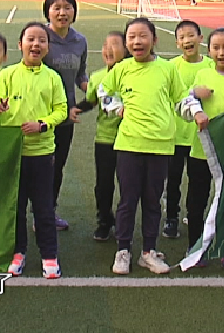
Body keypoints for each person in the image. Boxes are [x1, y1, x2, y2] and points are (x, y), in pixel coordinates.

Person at [98, 17, 186, 275]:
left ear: (154, 40)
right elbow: (104, 92)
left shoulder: (168, 69)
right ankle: (123, 250)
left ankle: (148, 252)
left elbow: (181, 99)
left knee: (152, 201)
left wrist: (197, 113)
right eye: (132, 37)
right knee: (127, 200)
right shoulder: (122, 68)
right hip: (129, 145)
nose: (137, 41)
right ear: (127, 42)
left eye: (143, 36)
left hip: (160, 146)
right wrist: (117, 107)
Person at [0, 22, 67, 279]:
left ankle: (49, 255)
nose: (36, 44)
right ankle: (18, 252)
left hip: (42, 154)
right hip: (13, 153)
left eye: (42, 40)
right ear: (20, 44)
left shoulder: (52, 77)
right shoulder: (7, 75)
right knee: (17, 208)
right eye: (30, 39)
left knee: (44, 209)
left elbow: (61, 111)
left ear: (48, 47)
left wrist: (42, 124)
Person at [178, 28, 224, 269]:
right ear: (209, 51)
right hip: (201, 151)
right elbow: (187, 103)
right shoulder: (203, 75)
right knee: (197, 200)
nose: (222, 52)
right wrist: (194, 95)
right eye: (216, 48)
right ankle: (195, 246)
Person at [69, 31, 128, 242]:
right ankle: (104, 220)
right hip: (105, 139)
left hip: (131, 140)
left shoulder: (134, 75)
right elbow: (92, 100)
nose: (108, 49)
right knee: (103, 184)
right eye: (105, 45)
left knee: (127, 184)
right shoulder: (97, 76)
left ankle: (124, 222)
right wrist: (75, 109)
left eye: (114, 44)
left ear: (126, 49)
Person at [41, 0, 88, 231]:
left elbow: (81, 75)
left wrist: (93, 89)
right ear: (47, 11)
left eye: (67, 7)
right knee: (38, 167)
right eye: (56, 7)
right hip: (41, 115)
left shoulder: (80, 41)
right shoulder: (40, 37)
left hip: (67, 117)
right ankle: (34, 213)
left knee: (57, 166)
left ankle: (48, 212)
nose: (62, 12)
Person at [165, 20, 215, 239]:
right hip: (175, 135)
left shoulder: (211, 66)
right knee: (173, 179)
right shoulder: (171, 66)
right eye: (182, 37)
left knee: (198, 182)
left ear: (200, 38)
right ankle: (171, 218)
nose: (187, 40)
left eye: (191, 35)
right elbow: (170, 95)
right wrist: (193, 92)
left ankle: (194, 215)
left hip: (201, 137)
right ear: (177, 43)